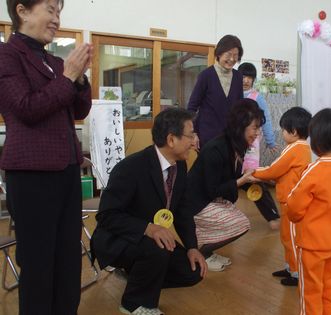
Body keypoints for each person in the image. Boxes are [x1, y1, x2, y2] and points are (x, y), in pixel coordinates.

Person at [0, 1, 93, 314]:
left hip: (66, 172)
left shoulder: (54, 60)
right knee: (39, 268)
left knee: (68, 264)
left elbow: (79, 110)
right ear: (23, 11)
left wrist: (79, 78)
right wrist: (68, 77)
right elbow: (27, 108)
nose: (57, 19)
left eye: (58, 12)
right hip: (31, 178)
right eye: (51, 10)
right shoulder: (6, 55)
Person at [91, 108, 207, 315]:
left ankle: (138, 276)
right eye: (191, 135)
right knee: (158, 247)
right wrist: (148, 228)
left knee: (193, 271)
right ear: (171, 139)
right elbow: (106, 215)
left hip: (151, 240)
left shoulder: (179, 166)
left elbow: (182, 211)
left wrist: (192, 247)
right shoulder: (131, 168)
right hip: (117, 239)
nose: (194, 141)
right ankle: (134, 304)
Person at [286, 108, 331, 315]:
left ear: (317, 140)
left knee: (311, 295)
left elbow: (294, 207)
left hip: (312, 246)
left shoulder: (314, 171)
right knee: (329, 293)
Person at [187, 98, 264, 271]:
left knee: (237, 218)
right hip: (195, 202)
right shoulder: (216, 149)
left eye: (258, 128)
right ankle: (201, 253)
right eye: (255, 127)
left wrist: (248, 179)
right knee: (241, 223)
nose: (257, 133)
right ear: (240, 126)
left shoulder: (235, 146)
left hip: (209, 198)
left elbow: (227, 181)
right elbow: (212, 189)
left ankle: (205, 249)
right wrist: (242, 180)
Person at [252, 107, 312, 286]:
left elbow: (274, 169)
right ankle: (289, 266)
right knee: (287, 236)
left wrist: (253, 172)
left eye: (284, 130)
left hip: (292, 202)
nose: (283, 133)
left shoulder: (294, 149)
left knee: (291, 237)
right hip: (289, 200)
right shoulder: (302, 148)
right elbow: (282, 172)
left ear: (293, 131)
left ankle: (296, 273)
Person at [238, 62, 280, 230]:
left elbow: (266, 120)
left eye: (249, 77)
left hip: (251, 145)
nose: (246, 80)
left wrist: (270, 141)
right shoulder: (231, 95)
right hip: (233, 142)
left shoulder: (257, 97)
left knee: (253, 178)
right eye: (242, 76)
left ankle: (272, 215)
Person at [187, 34, 243, 147]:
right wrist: (193, 134)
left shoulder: (238, 77)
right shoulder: (206, 75)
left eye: (235, 55)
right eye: (228, 54)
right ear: (219, 53)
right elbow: (192, 106)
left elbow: (240, 108)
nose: (232, 59)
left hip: (230, 138)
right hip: (207, 137)